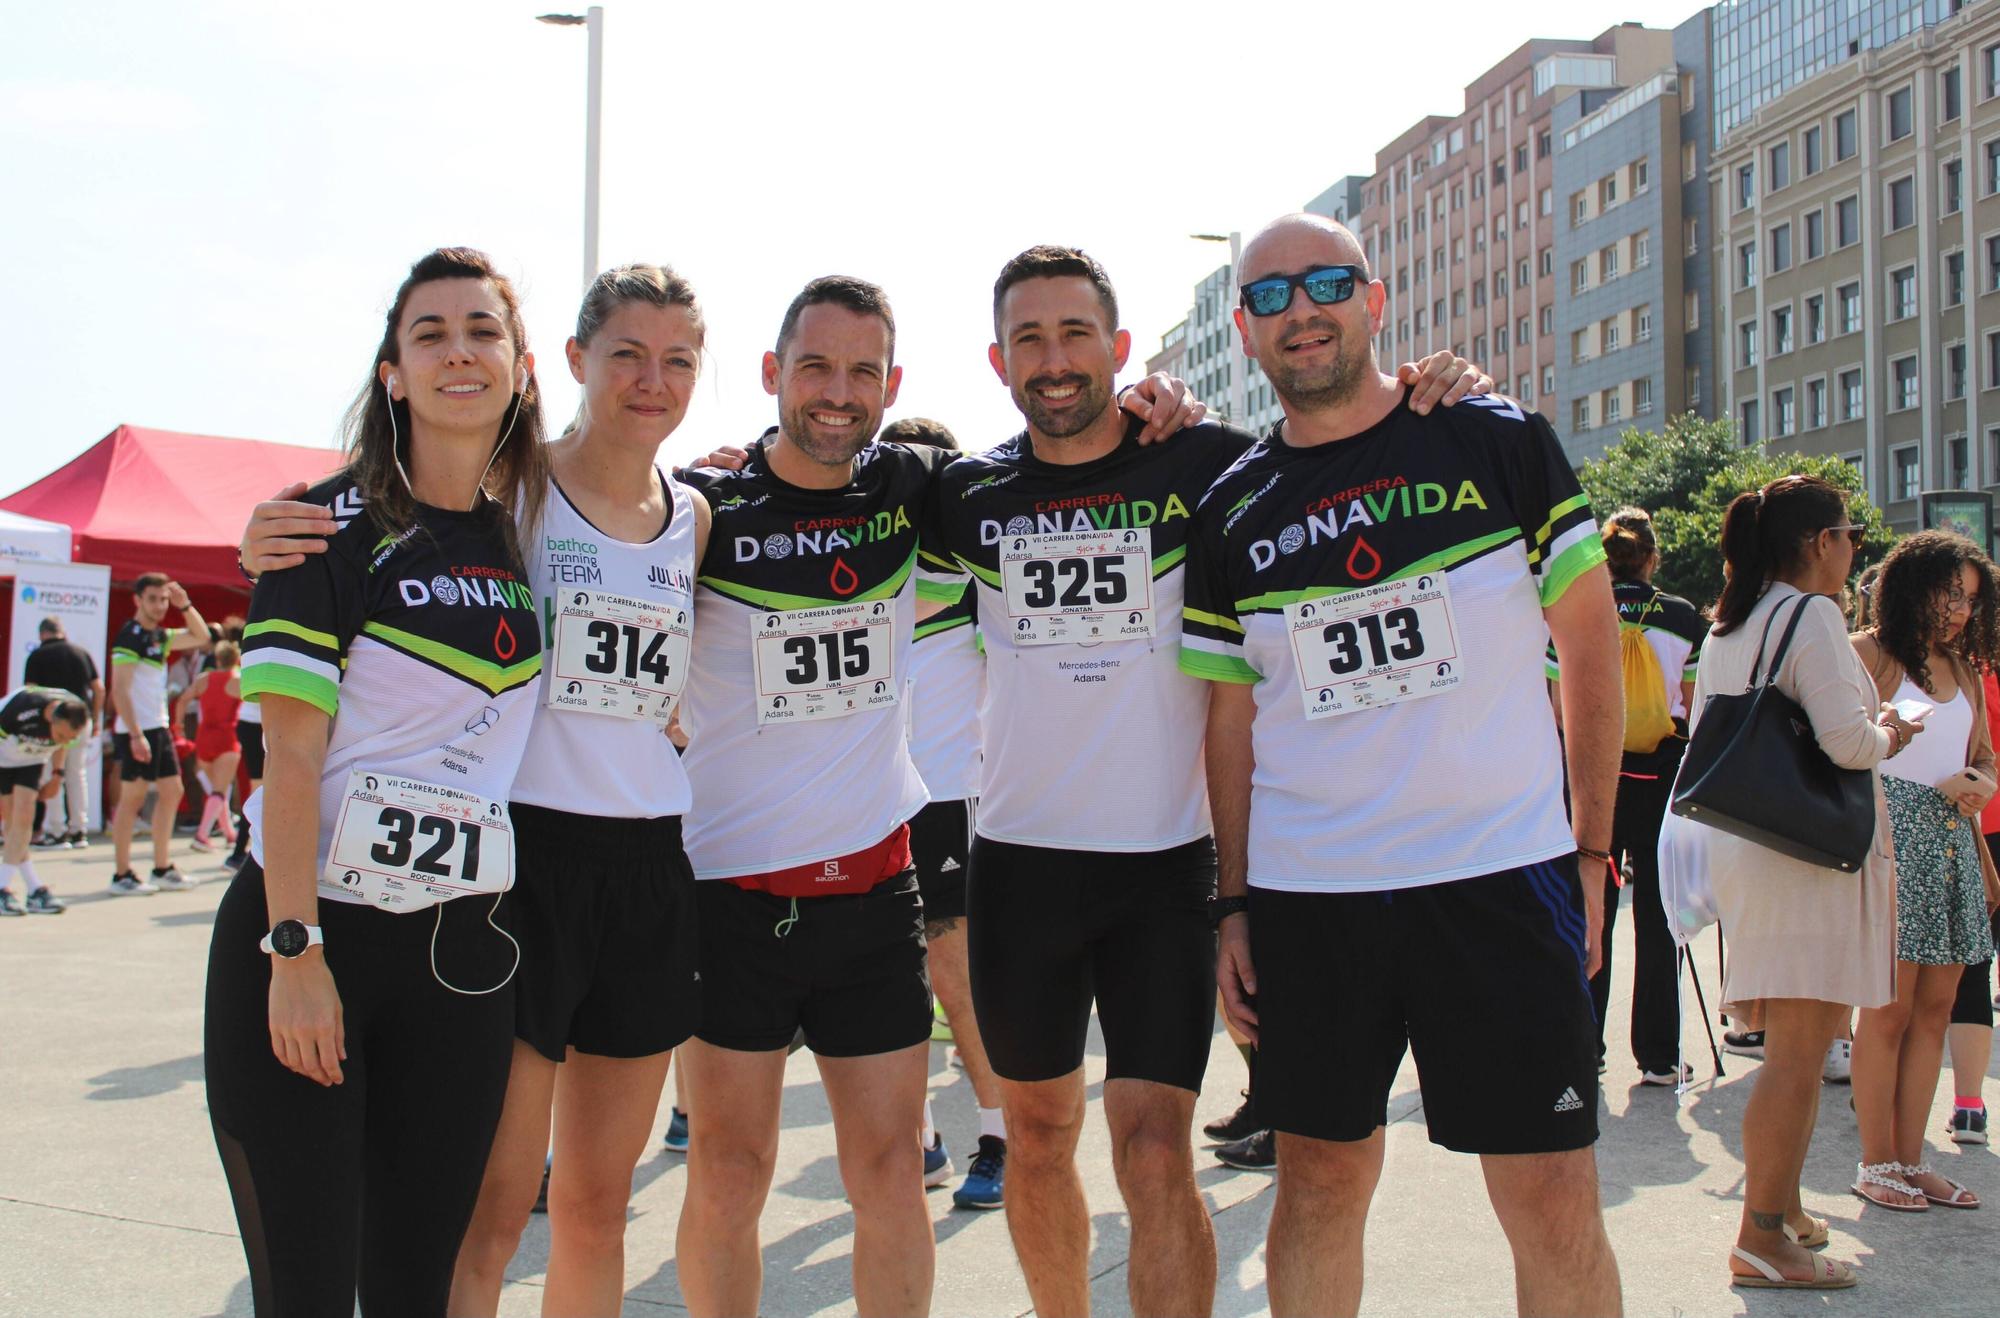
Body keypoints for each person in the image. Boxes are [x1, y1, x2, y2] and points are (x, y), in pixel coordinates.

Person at [920, 245, 1490, 1316]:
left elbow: (1339, 435)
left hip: (1163, 870)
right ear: (997, 359)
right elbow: (821, 488)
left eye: (1075, 333)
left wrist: (1441, 392)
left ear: (1120, 348)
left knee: (1150, 1148)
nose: (1054, 360)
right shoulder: (962, 493)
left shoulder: (1205, 465)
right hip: (1021, 870)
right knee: (1037, 1138)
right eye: (1029, 338)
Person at [240, 263, 715, 1317]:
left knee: (590, 1209)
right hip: (512, 871)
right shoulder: (514, 497)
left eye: (677, 358)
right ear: (575, 363)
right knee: (483, 1218)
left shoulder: (693, 514)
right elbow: (366, 546)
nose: (651, 378)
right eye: (626, 354)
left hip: (626, 873)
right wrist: (260, 544)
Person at [1184, 213, 1625, 1316]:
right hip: (1312, 897)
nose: (1302, 310)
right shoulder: (1229, 509)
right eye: (1272, 296)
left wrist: (1590, 844)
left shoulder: (1491, 437)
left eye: (1326, 282)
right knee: (1319, 1185)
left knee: (1550, 1200)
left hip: (1498, 880)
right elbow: (1229, 727)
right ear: (1242, 331)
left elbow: (1586, 645)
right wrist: (1230, 899)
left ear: (1373, 300)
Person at [204, 246, 550, 1315]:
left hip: (460, 966)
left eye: (481, 332)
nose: (459, 353)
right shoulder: (322, 526)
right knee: (303, 1294)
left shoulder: (535, 533)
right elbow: (290, 760)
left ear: (523, 365)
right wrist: (294, 947)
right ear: (392, 372)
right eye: (430, 335)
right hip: (307, 943)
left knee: (414, 1291)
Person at [1682, 474, 1906, 1287]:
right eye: (1849, 534)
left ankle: (1784, 1209)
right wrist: (1892, 730)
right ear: (1819, 544)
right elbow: (1848, 742)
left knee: (1796, 1048)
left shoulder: (1730, 622)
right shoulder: (1811, 613)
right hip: (1809, 857)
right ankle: (1760, 1237)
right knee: (1799, 1057)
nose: (1854, 548)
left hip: (1759, 847)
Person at [879, 415, 1008, 1211]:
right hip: (873, 804)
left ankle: (999, 1135)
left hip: (954, 801)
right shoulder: (870, 580)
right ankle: (920, 1140)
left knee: (956, 985)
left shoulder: (973, 584)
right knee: (893, 987)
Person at [1851, 529, 2000, 1211]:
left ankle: (1910, 1163)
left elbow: (1985, 755)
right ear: (1913, 586)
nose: (1961, 610)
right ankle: (1875, 1164)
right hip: (1888, 845)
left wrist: (1980, 780)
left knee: (1936, 1010)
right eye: (1950, 593)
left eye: (1970, 598)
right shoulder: (1870, 655)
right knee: (1887, 1012)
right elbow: (1832, 746)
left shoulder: (1965, 668)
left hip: (1951, 843)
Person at [1549, 508, 1703, 1085]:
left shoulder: (1574, 612)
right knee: (1659, 917)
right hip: (1661, 783)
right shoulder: (1685, 617)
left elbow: (1555, 705)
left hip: (1593, 782)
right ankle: (1660, 1055)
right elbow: (1697, 707)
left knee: (1593, 911)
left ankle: (1586, 1045)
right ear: (1653, 557)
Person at [108, 574, 209, 893]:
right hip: (136, 728)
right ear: (137, 600)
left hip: (159, 726)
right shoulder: (130, 636)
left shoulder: (160, 636)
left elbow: (201, 635)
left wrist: (185, 604)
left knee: (172, 791)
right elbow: (119, 691)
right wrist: (136, 735)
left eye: (163, 599)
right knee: (132, 798)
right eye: (152, 599)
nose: (159, 605)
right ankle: (121, 874)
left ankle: (161, 867)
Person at [1947, 663, 2000, 1145]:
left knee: (1955, 967)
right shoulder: (1970, 665)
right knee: (1976, 965)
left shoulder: (1962, 667)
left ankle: (1882, 1085)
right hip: (1978, 818)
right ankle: (1969, 1107)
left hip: (1963, 823)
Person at [0, 688, 89, 914]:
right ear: (51, 718)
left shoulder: (74, 713)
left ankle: (14, 888)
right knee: (12, 824)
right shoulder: (21, 709)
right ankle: (31, 887)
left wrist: (57, 774)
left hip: (32, 759)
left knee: (23, 819)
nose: (61, 741)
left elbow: (64, 744)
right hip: (4, 755)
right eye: (59, 735)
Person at [22, 617, 103, 849]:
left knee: (53, 772)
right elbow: (99, 689)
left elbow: (31, 693)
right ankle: (79, 830)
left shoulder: (37, 656)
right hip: (81, 718)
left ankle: (56, 831)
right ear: (62, 632)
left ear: (42, 634)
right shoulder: (80, 652)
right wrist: (95, 718)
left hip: (53, 723)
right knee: (77, 774)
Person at [174, 640, 243, 852]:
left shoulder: (204, 679)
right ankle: (202, 835)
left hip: (204, 737)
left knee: (216, 790)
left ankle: (230, 834)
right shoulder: (238, 681)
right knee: (220, 790)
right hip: (227, 737)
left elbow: (183, 699)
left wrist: (178, 725)